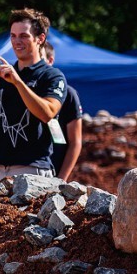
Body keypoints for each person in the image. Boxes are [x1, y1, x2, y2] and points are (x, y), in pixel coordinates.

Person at [0, 8, 66, 184]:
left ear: (40, 38)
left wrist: (18, 82)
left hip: (32, 169)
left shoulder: (52, 76)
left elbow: (47, 113)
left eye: (24, 36)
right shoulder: (0, 76)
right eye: (13, 36)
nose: (17, 41)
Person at [43, 41, 83, 181]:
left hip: (53, 171)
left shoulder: (68, 94)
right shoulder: (24, 90)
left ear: (50, 60)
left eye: (39, 60)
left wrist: (61, 179)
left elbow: (75, 142)